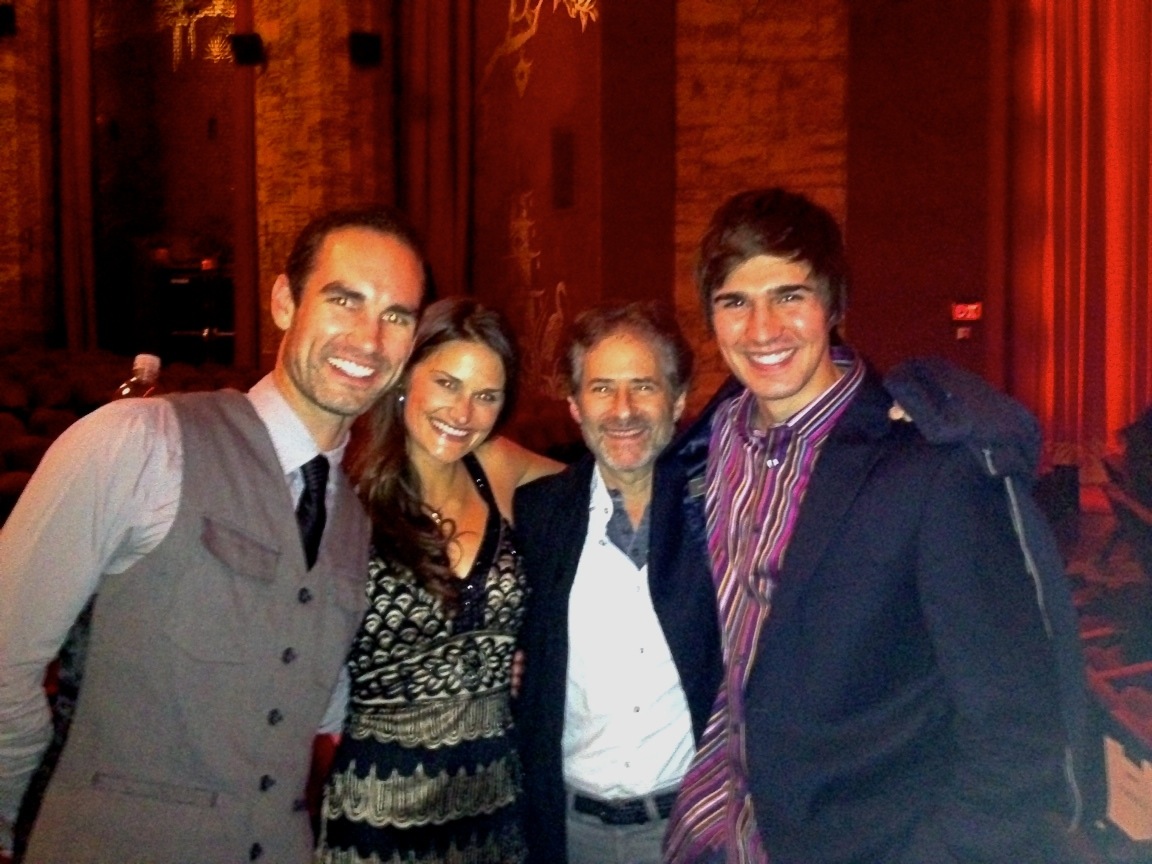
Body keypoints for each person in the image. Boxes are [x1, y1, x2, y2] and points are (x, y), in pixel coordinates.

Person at [661, 187, 1085, 864]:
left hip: (861, 841)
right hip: (716, 825)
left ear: (834, 305)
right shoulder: (707, 450)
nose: (761, 329)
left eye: (790, 295)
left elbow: (1015, 725)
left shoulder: (926, 470)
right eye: (734, 302)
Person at [0, 205, 428, 864]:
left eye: (396, 316)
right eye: (345, 300)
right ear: (285, 301)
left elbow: (326, 705)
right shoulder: (138, 443)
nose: (370, 339)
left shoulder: (361, 518)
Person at [315, 297, 562, 864]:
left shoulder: (495, 465)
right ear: (406, 376)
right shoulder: (347, 489)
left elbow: (602, 494)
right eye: (447, 383)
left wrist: (536, 654)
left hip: (497, 808)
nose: (464, 412)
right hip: (379, 817)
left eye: (486, 396)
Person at [513, 302, 723, 864]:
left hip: (695, 829)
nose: (623, 410)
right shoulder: (538, 517)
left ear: (677, 401)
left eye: (643, 386)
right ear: (576, 406)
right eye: (602, 388)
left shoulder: (723, 514)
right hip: (569, 833)